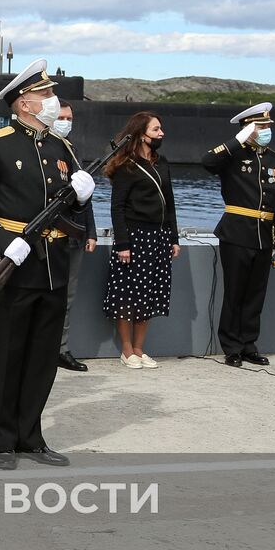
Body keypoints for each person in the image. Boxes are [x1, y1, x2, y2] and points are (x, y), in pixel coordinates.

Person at [0, 58, 94, 470]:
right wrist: (3, 240)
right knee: (8, 354)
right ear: (24, 103)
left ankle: (30, 436)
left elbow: (62, 203)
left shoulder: (60, 147)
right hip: (16, 263)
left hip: (53, 260)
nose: (52, 101)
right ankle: (3, 439)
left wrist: (81, 197)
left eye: (51, 93)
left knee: (42, 355)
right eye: (46, 94)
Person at [202, 103, 275, 367]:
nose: (266, 130)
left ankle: (249, 344)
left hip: (263, 234)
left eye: (267, 126)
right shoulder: (233, 156)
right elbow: (207, 162)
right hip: (237, 233)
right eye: (261, 127)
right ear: (247, 129)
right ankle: (232, 347)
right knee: (235, 293)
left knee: (255, 294)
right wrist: (235, 142)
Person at [102, 111, 179, 369]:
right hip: (134, 238)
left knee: (149, 294)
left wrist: (173, 238)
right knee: (127, 295)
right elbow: (118, 207)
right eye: (156, 130)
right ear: (141, 134)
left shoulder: (162, 162)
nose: (161, 134)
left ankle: (139, 348)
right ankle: (126, 350)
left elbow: (169, 204)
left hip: (158, 237)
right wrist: (122, 244)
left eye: (161, 129)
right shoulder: (126, 165)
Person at [53, 101, 95, 372]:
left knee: (67, 297)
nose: (66, 122)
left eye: (69, 117)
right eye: (60, 117)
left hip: (74, 233)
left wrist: (90, 231)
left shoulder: (73, 150)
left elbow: (85, 197)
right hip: (47, 236)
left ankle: (61, 348)